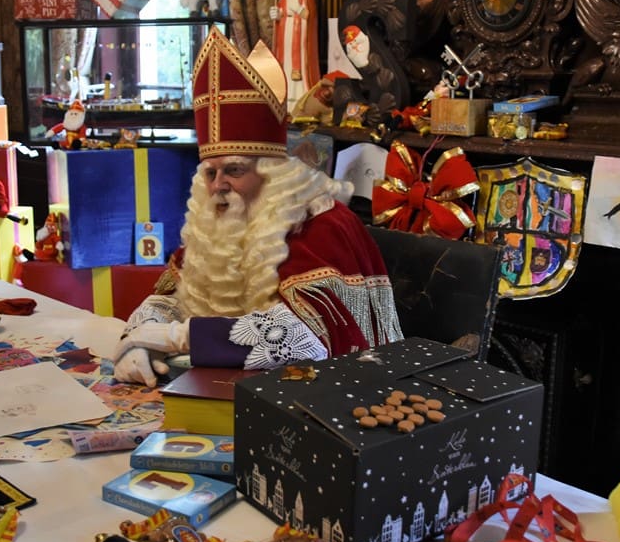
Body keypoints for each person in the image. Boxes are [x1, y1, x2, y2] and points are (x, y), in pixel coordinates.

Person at [112, 28, 403, 386]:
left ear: (272, 175)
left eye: (234, 170)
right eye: (210, 173)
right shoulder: (218, 219)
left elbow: (305, 338)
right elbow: (169, 299)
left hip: (316, 395)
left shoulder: (322, 225)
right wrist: (139, 337)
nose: (218, 185)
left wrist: (179, 337)